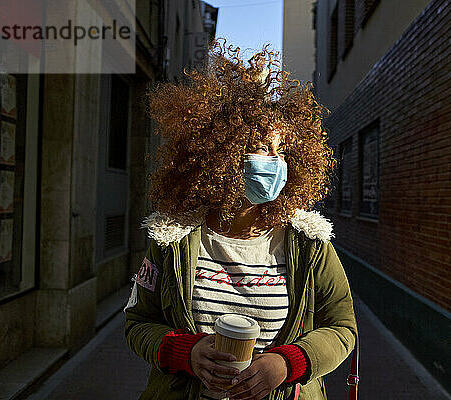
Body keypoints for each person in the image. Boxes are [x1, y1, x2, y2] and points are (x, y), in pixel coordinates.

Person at [124, 38, 357, 400]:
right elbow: (138, 323)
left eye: (284, 151)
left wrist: (287, 364)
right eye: (263, 148)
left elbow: (342, 328)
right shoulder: (173, 240)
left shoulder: (309, 243)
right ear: (222, 152)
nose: (276, 162)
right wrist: (186, 352)